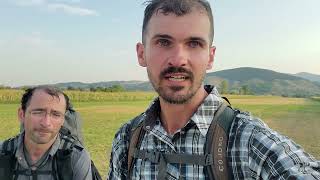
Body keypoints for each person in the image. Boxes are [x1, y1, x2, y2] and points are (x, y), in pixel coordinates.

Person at [108, 0, 320, 179]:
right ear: (141, 53)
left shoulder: (248, 143)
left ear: (210, 57)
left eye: (194, 43)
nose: (179, 59)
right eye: (163, 42)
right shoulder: (127, 140)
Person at [0, 86, 92, 180]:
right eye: (38, 112)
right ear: (21, 115)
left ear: (63, 120)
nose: (46, 123)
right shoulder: (2, 152)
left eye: (56, 114)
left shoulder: (75, 157)